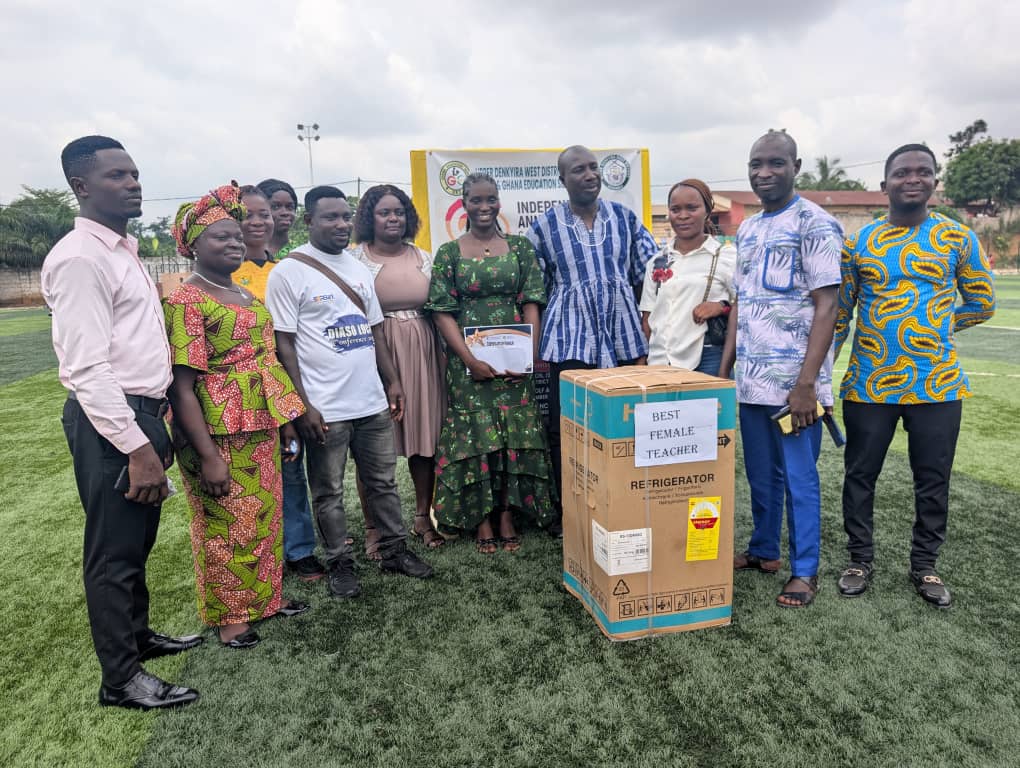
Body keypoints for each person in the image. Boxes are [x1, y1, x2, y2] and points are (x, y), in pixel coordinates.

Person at [41, 135, 201, 710]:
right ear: (81, 187)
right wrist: (136, 448)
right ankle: (121, 680)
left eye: (134, 173)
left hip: (142, 412)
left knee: (135, 544)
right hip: (112, 420)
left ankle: (137, 641)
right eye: (117, 176)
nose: (133, 182)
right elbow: (86, 367)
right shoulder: (80, 257)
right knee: (112, 553)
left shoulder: (121, 248)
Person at [833, 144, 996, 608]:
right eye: (902, 172)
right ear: (884, 184)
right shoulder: (859, 242)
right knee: (860, 474)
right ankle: (859, 559)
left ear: (934, 182)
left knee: (932, 477)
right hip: (870, 382)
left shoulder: (957, 238)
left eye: (923, 172)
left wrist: (941, 326)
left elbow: (982, 302)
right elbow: (842, 315)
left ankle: (925, 566)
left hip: (938, 383)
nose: (913, 179)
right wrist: (822, 373)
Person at [265, 186, 434, 599]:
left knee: (383, 483)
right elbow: (283, 344)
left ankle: (395, 549)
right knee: (329, 492)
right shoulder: (289, 272)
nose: (340, 225)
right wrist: (301, 405)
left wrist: (391, 381)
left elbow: (375, 330)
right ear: (310, 222)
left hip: (371, 401)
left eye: (344, 217)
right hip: (325, 408)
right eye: (330, 218)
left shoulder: (358, 267)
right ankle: (340, 561)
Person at [165, 183, 311, 648]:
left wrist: (286, 422)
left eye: (235, 236)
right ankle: (232, 616)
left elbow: (268, 364)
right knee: (225, 520)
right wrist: (207, 455)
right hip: (217, 431)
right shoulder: (187, 300)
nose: (232, 243)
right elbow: (181, 385)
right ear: (193, 246)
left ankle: (267, 599)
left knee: (265, 515)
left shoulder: (244, 295)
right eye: (219, 238)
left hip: (261, 424)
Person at [719, 130, 843, 608]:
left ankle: (805, 571)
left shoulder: (816, 223)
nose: (763, 173)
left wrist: (807, 385)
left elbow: (827, 307)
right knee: (760, 475)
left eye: (775, 163)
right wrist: (725, 372)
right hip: (751, 383)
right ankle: (764, 550)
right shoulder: (747, 229)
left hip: (796, 388)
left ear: (796, 167)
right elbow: (742, 306)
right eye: (756, 164)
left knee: (799, 478)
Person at [526, 145, 659, 533]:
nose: (589, 175)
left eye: (593, 168)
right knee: (565, 428)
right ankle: (570, 509)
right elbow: (536, 287)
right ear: (562, 179)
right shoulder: (544, 227)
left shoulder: (624, 218)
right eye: (578, 169)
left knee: (623, 426)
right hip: (570, 340)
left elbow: (650, 273)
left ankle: (622, 503)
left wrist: (645, 323)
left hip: (622, 339)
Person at [426, 172, 557, 553]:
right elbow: (441, 312)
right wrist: (468, 359)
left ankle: (506, 514)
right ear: (463, 204)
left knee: (515, 434)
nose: (484, 207)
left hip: (515, 360)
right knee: (477, 438)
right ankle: (482, 519)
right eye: (475, 200)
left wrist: (530, 353)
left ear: (500, 202)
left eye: (491, 200)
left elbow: (532, 300)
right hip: (468, 363)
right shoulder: (449, 252)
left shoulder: (519, 247)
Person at [236, 183, 326, 582]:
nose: (258, 221)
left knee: (291, 468)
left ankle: (300, 550)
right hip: (240, 393)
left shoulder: (287, 268)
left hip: (287, 385)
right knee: (247, 480)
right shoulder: (222, 271)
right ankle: (258, 557)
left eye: (264, 214)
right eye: (247, 215)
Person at [350, 184, 446, 551]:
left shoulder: (424, 256)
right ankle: (375, 527)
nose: (393, 218)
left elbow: (438, 308)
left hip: (422, 349)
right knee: (373, 445)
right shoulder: (355, 260)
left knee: (424, 440)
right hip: (374, 350)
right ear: (369, 219)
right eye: (384, 212)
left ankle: (423, 517)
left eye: (399, 212)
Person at [640, 179, 736, 375]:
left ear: (707, 211)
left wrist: (721, 306)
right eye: (676, 209)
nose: (683, 216)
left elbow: (745, 307)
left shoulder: (725, 257)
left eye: (692, 208)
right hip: (660, 361)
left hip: (707, 359)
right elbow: (648, 317)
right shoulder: (657, 261)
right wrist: (642, 365)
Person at [258, 178, 300, 259]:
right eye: (275, 207)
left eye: (290, 207)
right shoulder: (244, 253)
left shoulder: (300, 253)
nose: (285, 212)